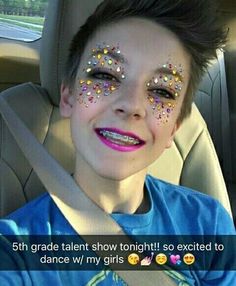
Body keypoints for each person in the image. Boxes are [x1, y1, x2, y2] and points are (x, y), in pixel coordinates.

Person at [0, 0, 235, 285]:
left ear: (174, 128)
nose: (131, 105)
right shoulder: (16, 250)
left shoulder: (207, 225)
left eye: (161, 90)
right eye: (105, 75)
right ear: (68, 97)